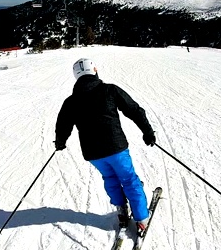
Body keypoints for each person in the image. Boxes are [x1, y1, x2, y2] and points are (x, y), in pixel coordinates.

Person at [55, 58, 156, 232]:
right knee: (129, 180)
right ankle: (142, 219)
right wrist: (147, 132)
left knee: (110, 178)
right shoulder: (109, 90)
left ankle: (121, 210)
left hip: (93, 154)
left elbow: (63, 124)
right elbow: (134, 110)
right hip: (116, 148)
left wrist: (60, 142)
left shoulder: (71, 101)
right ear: (94, 70)